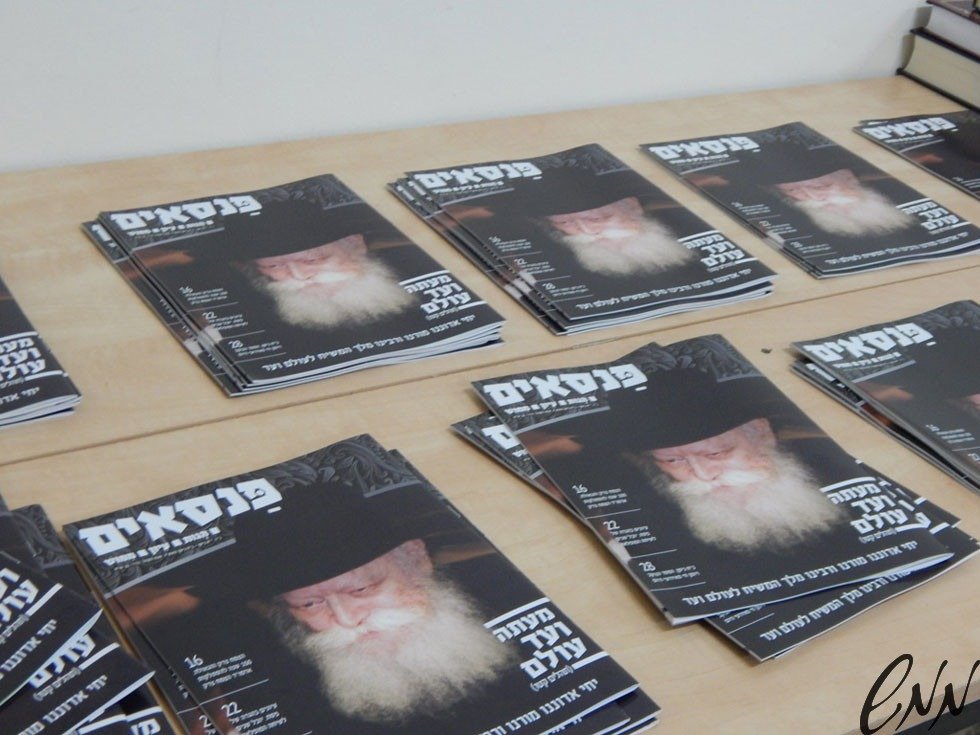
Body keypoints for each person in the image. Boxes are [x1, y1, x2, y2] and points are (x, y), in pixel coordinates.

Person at [224, 489, 517, 728]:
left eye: (362, 589)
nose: (347, 619)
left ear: (415, 559)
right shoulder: (275, 690)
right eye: (310, 604)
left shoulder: (507, 584)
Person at [220, 200, 415, 329]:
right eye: (274, 266)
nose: (299, 275)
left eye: (312, 260)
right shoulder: (249, 313)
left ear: (354, 245)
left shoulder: (413, 266)